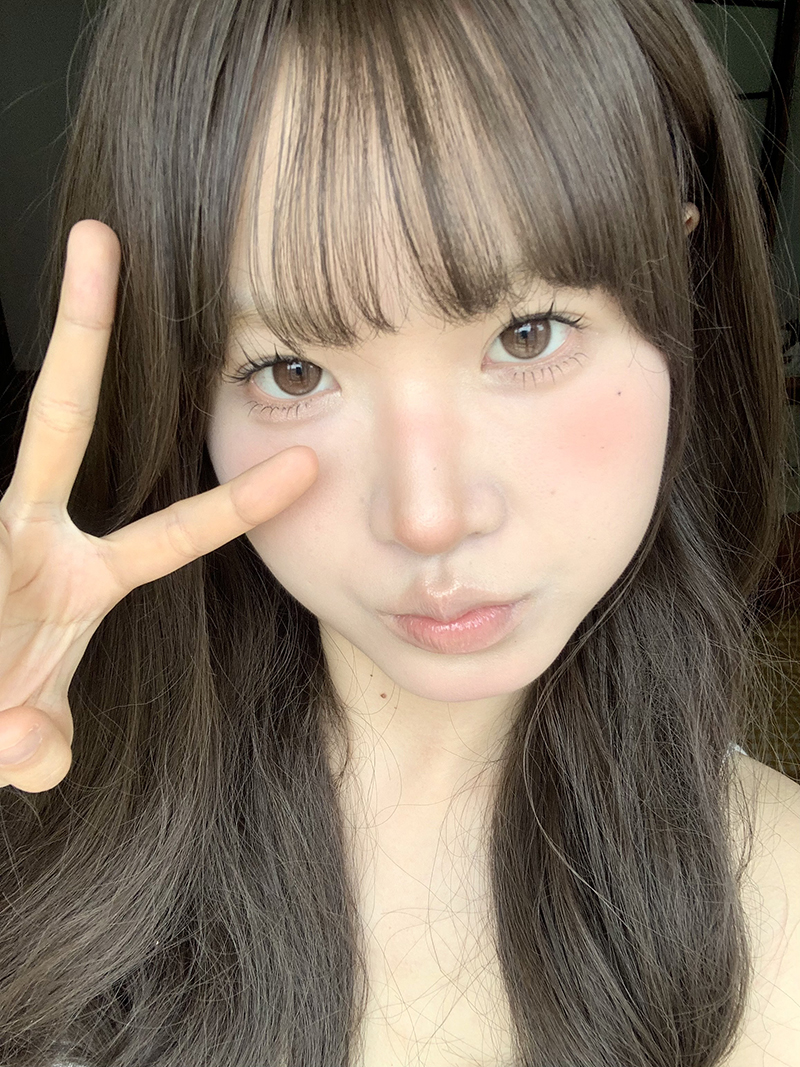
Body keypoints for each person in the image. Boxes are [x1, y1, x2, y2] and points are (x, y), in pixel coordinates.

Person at [0, 0, 798, 1064]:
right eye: (293, 371)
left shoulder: (779, 903)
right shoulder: (37, 805)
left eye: (528, 333)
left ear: (680, 290)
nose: (428, 516)